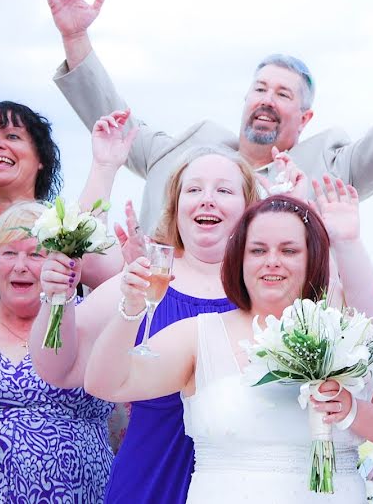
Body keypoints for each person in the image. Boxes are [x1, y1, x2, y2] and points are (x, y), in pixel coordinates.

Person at [45, 0, 373, 231]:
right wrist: (76, 39)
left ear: (305, 118)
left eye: (283, 94)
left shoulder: (334, 169)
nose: (267, 100)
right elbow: (111, 124)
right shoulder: (179, 151)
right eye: (260, 89)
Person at [83, 190, 373, 502]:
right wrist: (129, 309)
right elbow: (105, 383)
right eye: (258, 250)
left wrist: (351, 409)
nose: (272, 261)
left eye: (289, 250)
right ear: (239, 260)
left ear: (313, 258)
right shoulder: (199, 336)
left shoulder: (353, 336)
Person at [31, 146, 259, 504]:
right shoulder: (142, 281)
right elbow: (59, 369)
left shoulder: (266, 291)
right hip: (150, 477)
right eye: (194, 189)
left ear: (249, 208)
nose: (207, 200)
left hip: (243, 484)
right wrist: (56, 297)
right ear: (176, 205)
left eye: (224, 190)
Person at [0, 202, 113, 503]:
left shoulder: (87, 318)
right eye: (9, 253)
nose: (20, 265)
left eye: (36, 254)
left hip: (77, 492)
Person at [0, 102, 132, 304]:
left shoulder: (64, 231)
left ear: (41, 158)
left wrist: (104, 164)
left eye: (12, 136)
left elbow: (102, 270)